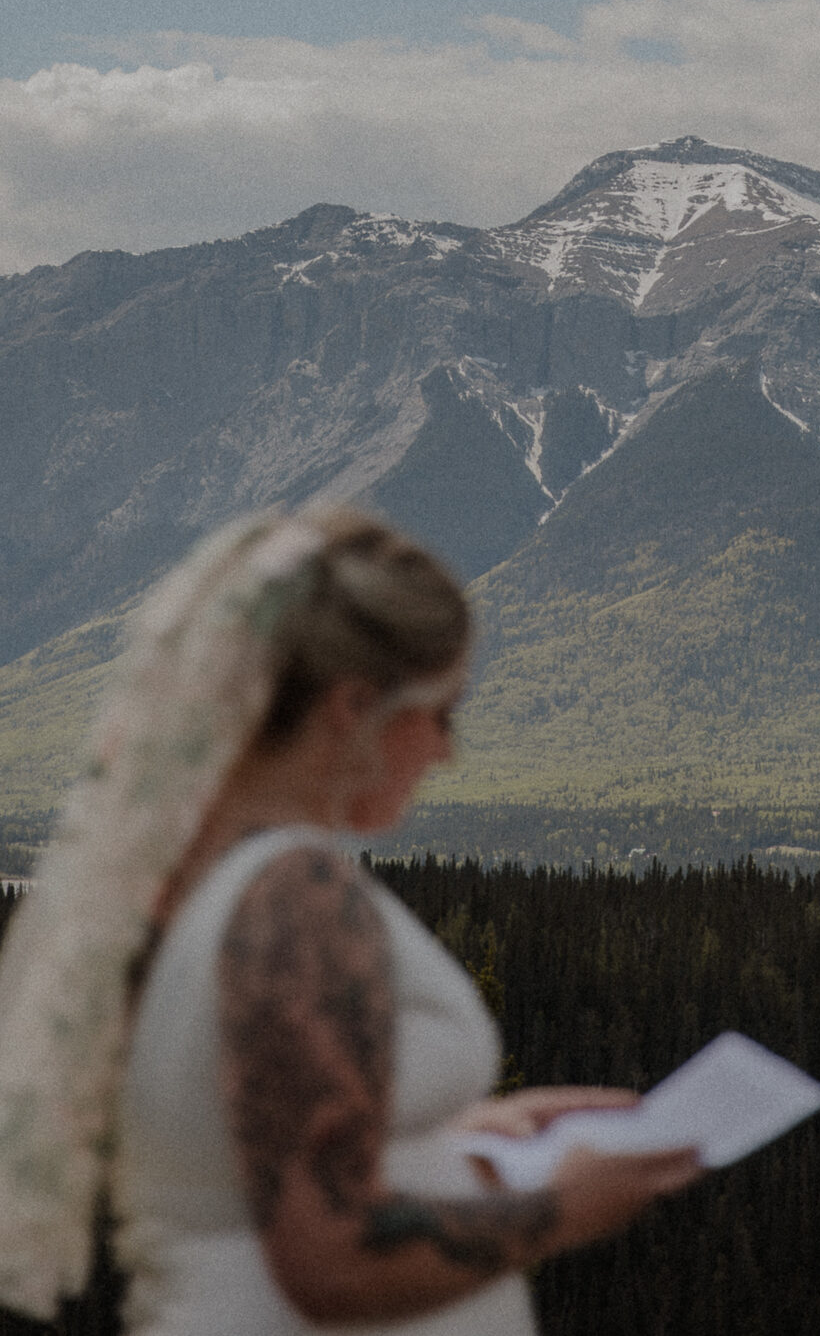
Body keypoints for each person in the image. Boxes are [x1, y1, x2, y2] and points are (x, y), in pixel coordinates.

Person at [0, 507, 701, 1334]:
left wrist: (466, 1141)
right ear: (355, 704)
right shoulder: (294, 895)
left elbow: (241, 1152)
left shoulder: (179, 886)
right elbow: (332, 1261)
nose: (446, 752)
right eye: (440, 711)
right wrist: (568, 1205)